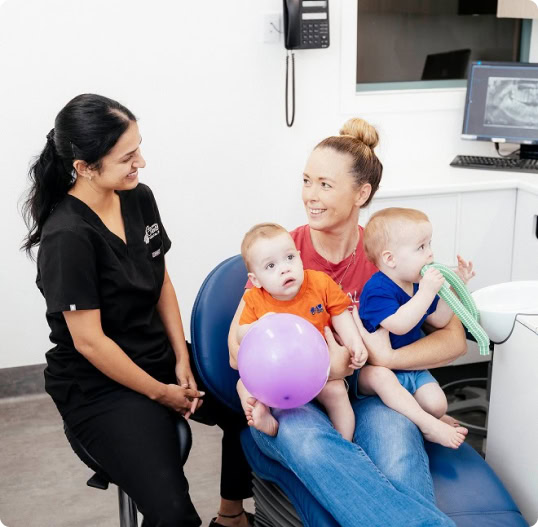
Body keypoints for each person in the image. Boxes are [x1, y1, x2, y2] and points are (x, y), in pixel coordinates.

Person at [22, 94, 253, 527]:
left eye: (139, 148)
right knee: (173, 514)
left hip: (159, 357)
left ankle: (231, 515)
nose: (141, 162)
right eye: (128, 156)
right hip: (100, 386)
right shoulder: (67, 236)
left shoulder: (138, 197)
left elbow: (160, 279)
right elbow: (90, 342)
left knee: (251, 403)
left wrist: (183, 358)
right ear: (85, 166)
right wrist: (160, 391)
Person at [228, 117, 465, 526]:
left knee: (397, 446)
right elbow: (237, 352)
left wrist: (382, 363)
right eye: (306, 181)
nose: (310, 196)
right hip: (294, 404)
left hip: (371, 395)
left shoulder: (385, 252)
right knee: (312, 446)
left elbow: (454, 336)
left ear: (362, 193)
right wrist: (328, 366)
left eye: (325, 184)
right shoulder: (284, 253)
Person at [236, 223, 367, 439]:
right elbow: (241, 334)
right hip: (278, 374)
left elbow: (341, 314)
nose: (285, 268)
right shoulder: (254, 299)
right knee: (243, 384)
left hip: (320, 370)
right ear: (255, 280)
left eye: (289, 258)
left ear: (299, 256)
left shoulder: (319, 283)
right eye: (271, 266)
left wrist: (355, 344)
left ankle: (344, 442)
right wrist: (259, 325)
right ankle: (263, 415)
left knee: (337, 393)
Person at [359, 207, 474, 449]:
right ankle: (426, 424)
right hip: (377, 371)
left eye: (429, 244)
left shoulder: (417, 285)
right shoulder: (376, 290)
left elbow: (440, 319)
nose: (431, 254)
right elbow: (399, 325)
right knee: (384, 381)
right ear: (390, 259)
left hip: (410, 366)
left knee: (438, 404)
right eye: (421, 247)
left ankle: (433, 416)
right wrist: (426, 293)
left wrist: (456, 287)